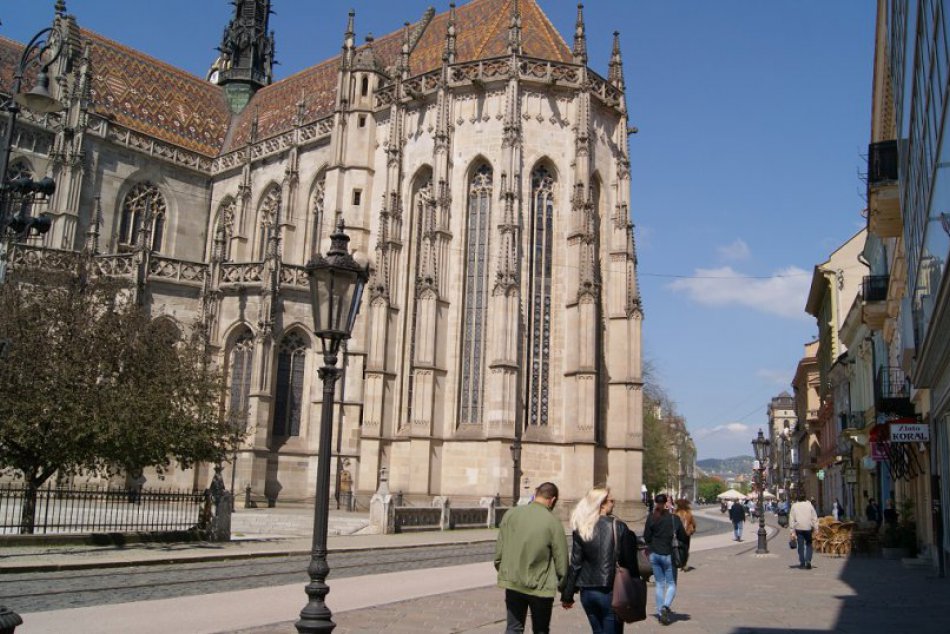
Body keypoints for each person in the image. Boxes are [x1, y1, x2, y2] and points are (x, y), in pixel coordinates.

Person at [561, 487, 637, 634]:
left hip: (587, 593)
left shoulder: (582, 528)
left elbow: (576, 564)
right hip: (611, 591)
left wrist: (568, 595)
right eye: (611, 501)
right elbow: (630, 562)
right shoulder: (619, 526)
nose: (613, 504)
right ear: (601, 503)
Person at [495, 481, 568, 634]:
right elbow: (562, 562)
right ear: (552, 500)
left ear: (536, 494)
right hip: (540, 587)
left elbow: (499, 553)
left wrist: (505, 572)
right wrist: (564, 588)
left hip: (513, 582)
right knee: (540, 630)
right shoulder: (553, 522)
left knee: (513, 628)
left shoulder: (511, 514)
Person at [643, 493, 688, 626]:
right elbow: (683, 537)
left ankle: (659, 611)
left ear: (656, 502)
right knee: (671, 584)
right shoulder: (674, 519)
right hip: (669, 555)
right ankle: (665, 607)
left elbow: (646, 536)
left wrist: (652, 546)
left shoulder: (651, 517)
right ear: (667, 503)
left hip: (654, 554)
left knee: (659, 584)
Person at [789, 492, 819, 569]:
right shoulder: (809, 505)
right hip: (808, 528)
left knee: (800, 546)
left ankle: (802, 561)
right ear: (805, 497)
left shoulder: (794, 506)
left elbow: (791, 519)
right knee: (809, 544)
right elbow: (814, 517)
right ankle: (808, 560)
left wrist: (792, 531)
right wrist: (816, 528)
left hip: (799, 528)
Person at [673, 499, 696, 571]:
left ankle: (679, 562)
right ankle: (684, 564)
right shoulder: (688, 513)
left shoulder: (675, 513)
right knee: (686, 549)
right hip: (686, 534)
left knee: (677, 548)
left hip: (678, 534)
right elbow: (693, 523)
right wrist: (692, 529)